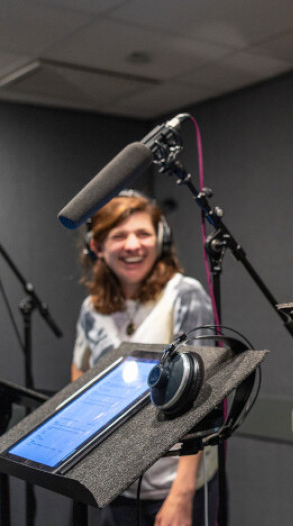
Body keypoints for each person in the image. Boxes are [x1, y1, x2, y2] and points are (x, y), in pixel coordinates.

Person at [72, 191, 218, 526]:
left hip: (177, 487)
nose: (133, 245)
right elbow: (79, 369)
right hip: (119, 487)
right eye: (119, 236)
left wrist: (181, 494)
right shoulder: (92, 308)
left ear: (160, 239)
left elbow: (202, 399)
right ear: (97, 247)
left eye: (143, 233)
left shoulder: (184, 294)